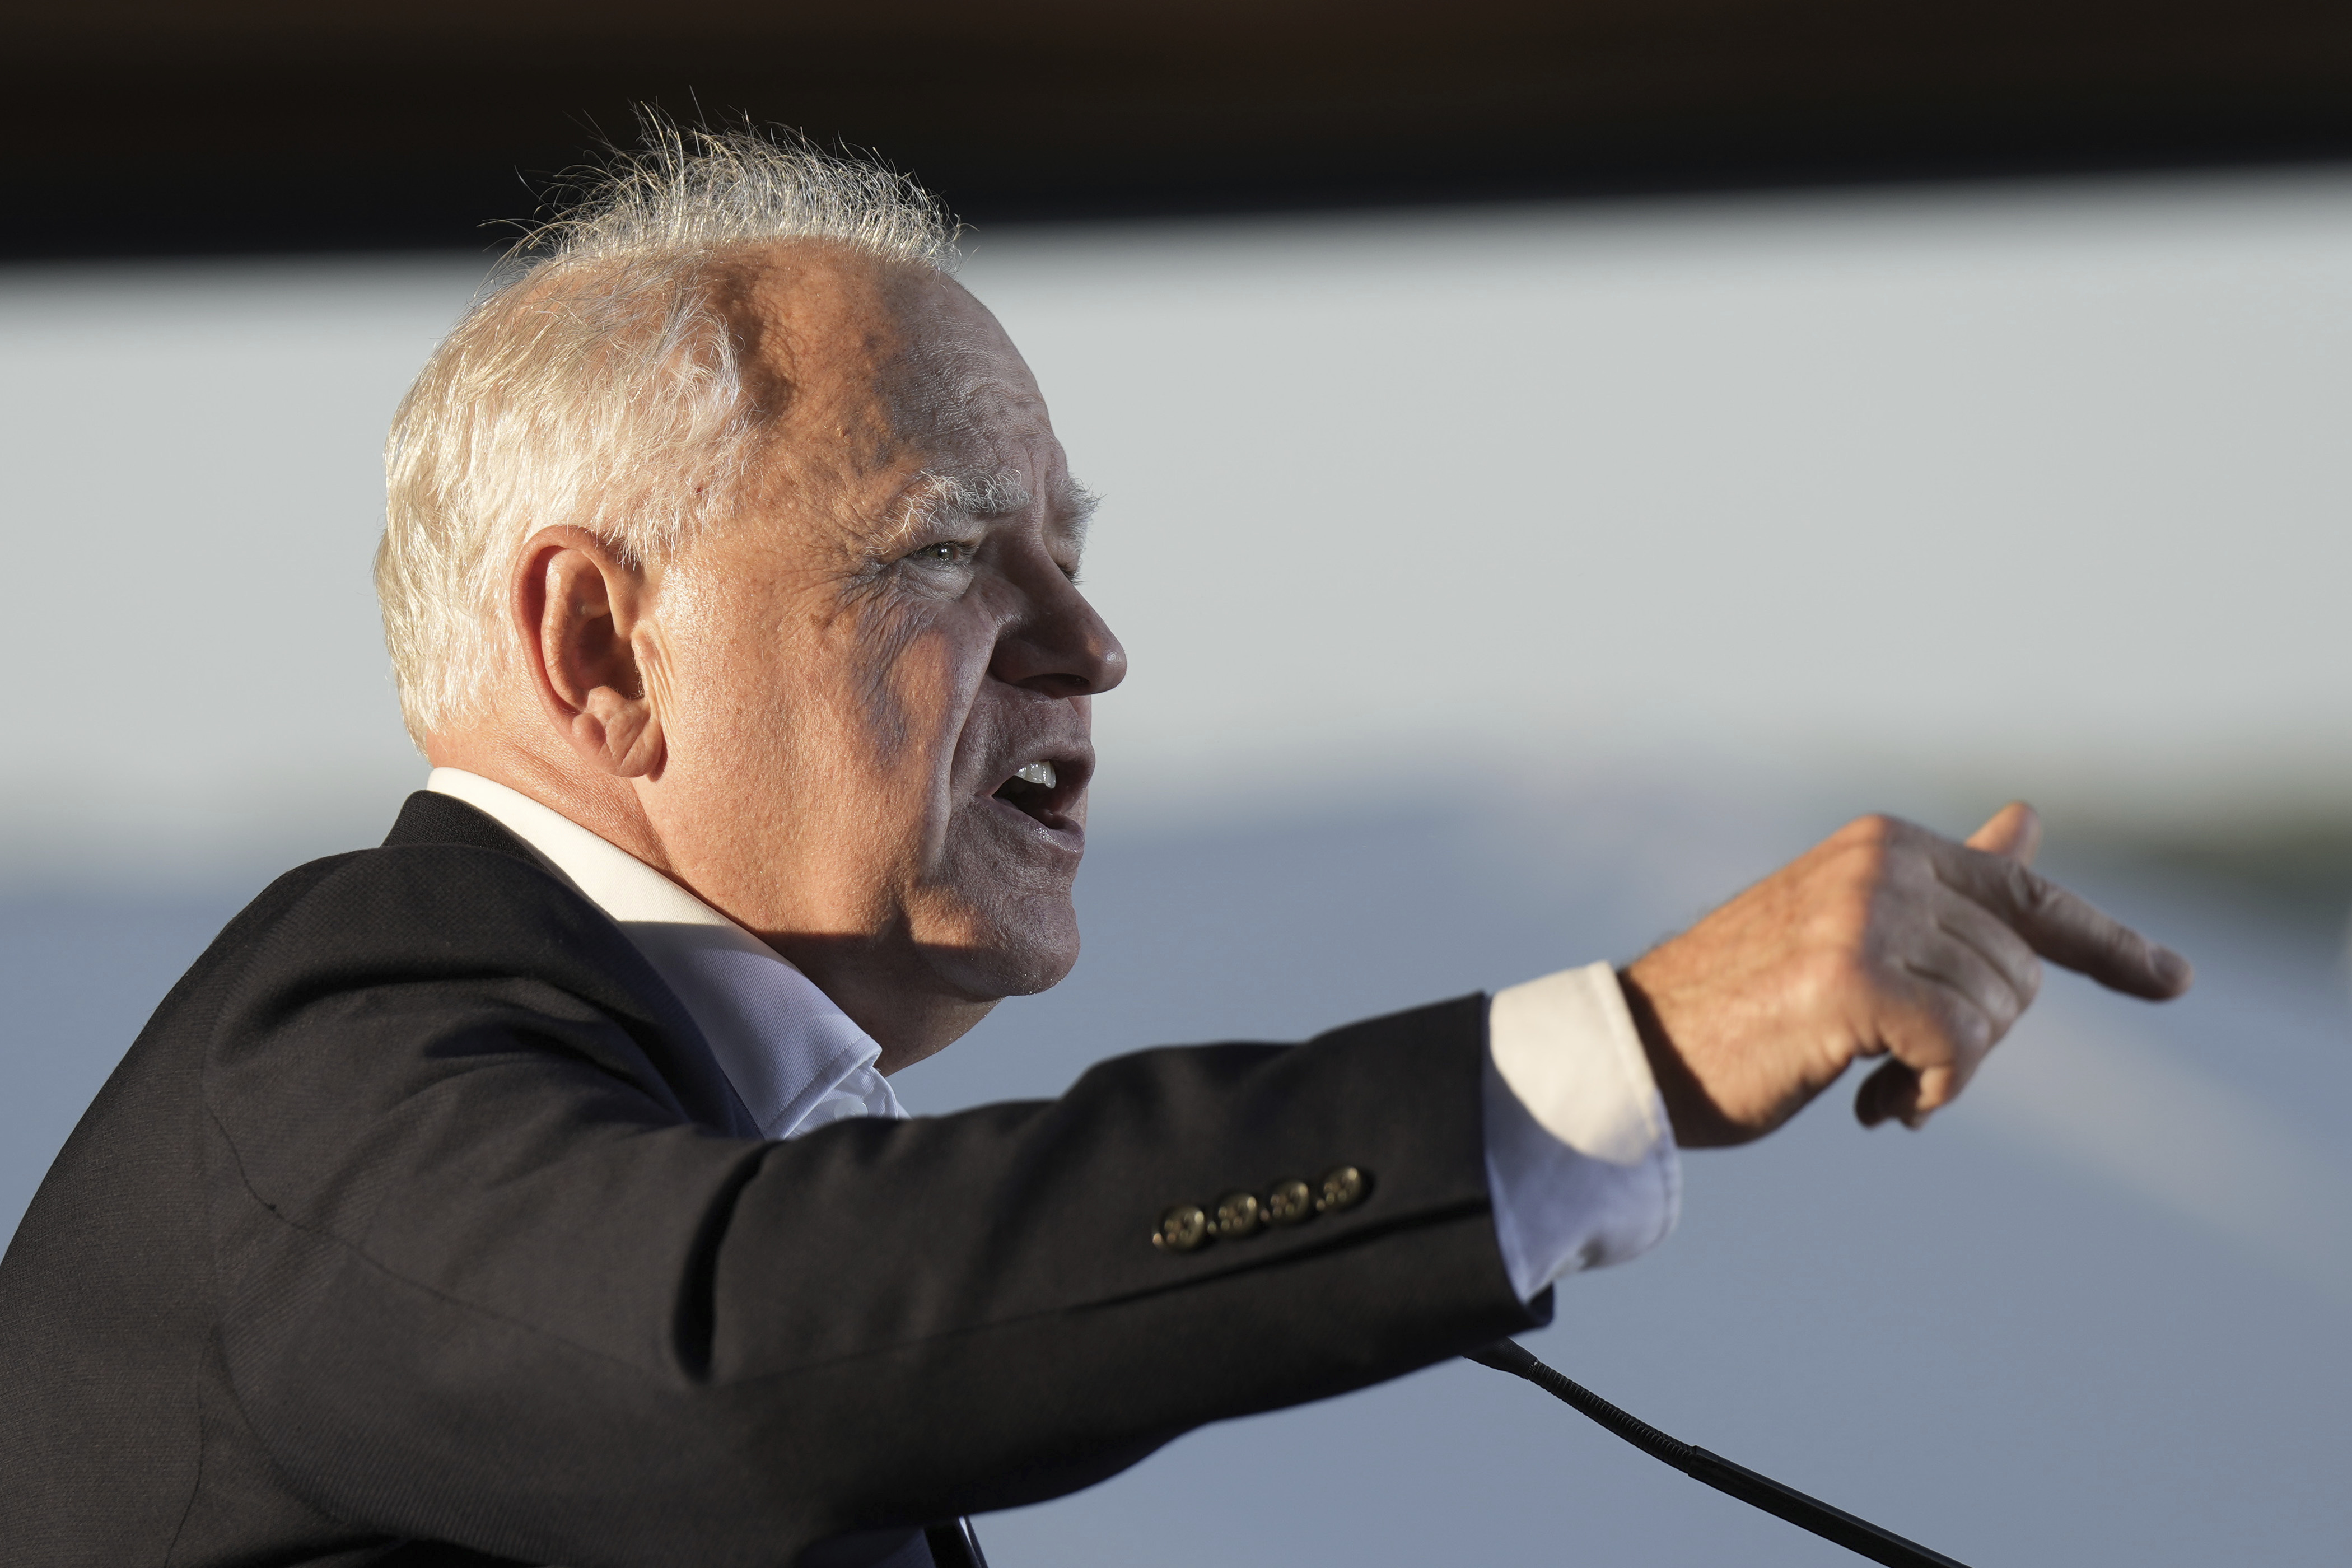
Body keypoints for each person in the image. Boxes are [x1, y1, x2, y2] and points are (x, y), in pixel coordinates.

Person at [0, 127, 2190, 1568]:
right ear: (602, 642)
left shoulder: (636, 1127)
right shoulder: (332, 1076)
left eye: (1080, 554)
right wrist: (1623, 1053)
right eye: (958, 556)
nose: (1092, 647)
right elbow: (763, 1338)